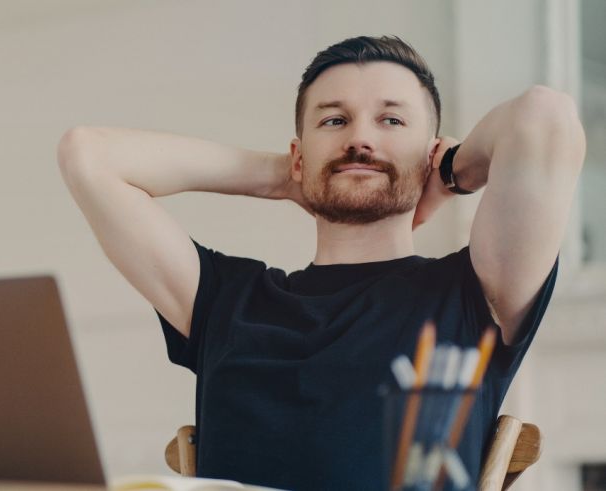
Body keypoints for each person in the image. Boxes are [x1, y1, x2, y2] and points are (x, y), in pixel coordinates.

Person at [57, 35, 586, 490]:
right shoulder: (222, 297)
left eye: (391, 120)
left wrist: (448, 170)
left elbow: (545, 117)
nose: (360, 138)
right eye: (334, 120)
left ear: (428, 152)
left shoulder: (475, 292)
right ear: (298, 155)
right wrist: (283, 177)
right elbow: (88, 154)